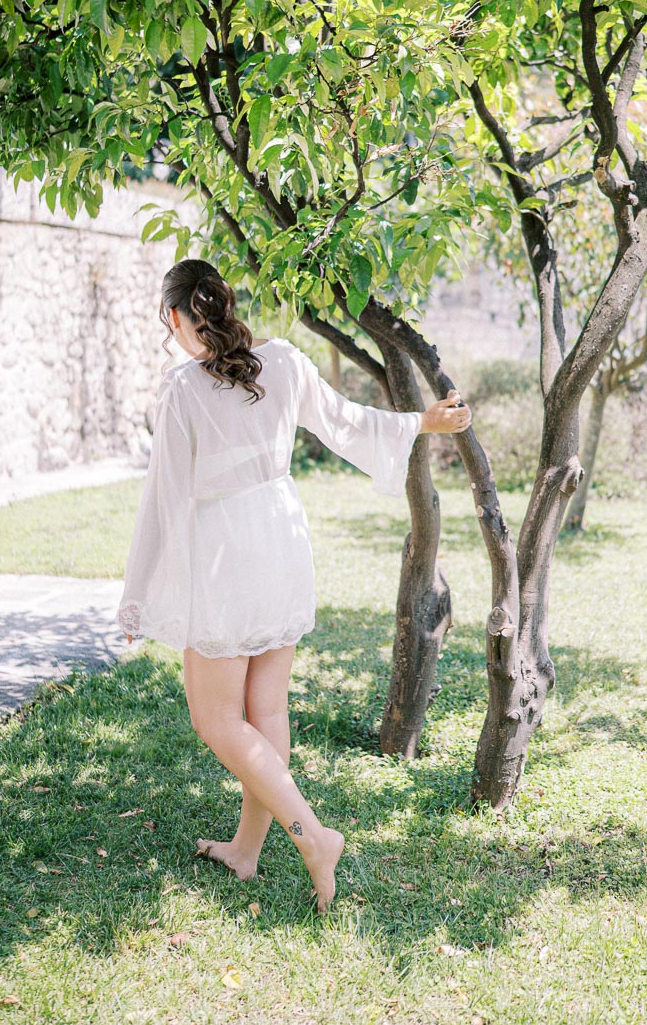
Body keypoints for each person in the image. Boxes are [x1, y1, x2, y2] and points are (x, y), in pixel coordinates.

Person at [115, 258, 472, 913]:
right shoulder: (284, 360)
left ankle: (312, 835)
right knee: (266, 711)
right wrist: (421, 420)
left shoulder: (182, 391)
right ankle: (246, 852)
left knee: (217, 719)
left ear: (174, 318)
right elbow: (346, 421)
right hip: (280, 539)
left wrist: (137, 594)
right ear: (224, 302)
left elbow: (162, 502)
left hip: (225, 554)